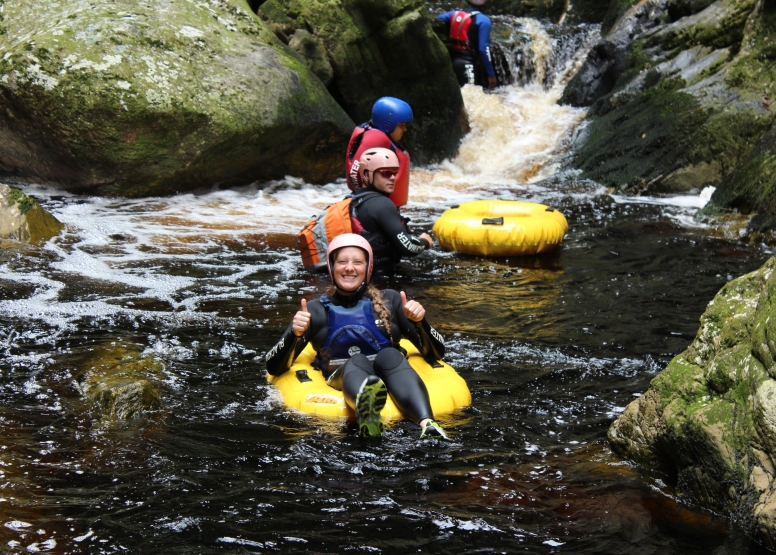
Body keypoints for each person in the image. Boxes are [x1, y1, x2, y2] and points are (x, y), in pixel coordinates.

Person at [265, 233, 448, 439]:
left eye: (357, 262)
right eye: (342, 261)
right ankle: (367, 411)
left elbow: (436, 353)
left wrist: (420, 323)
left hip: (390, 372)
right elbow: (274, 366)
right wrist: (295, 334)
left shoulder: (392, 300)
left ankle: (428, 423)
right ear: (332, 267)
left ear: (368, 268)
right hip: (342, 376)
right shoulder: (315, 310)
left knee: (391, 355)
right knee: (357, 360)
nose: (349, 268)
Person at [350, 148, 433, 273]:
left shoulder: (355, 201)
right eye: (385, 173)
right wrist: (424, 241)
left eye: (395, 172)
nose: (393, 178)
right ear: (367, 175)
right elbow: (409, 247)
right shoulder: (381, 204)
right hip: (379, 279)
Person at [346, 97, 413, 208]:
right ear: (388, 123)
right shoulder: (377, 139)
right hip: (377, 207)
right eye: (401, 125)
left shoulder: (372, 133)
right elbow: (356, 174)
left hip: (375, 204)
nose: (405, 129)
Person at [437, 0, 497, 90]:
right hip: (468, 64)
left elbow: (438, 19)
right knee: (471, 97)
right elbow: (483, 49)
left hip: (452, 61)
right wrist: (491, 75)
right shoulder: (483, 20)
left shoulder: (453, 14)